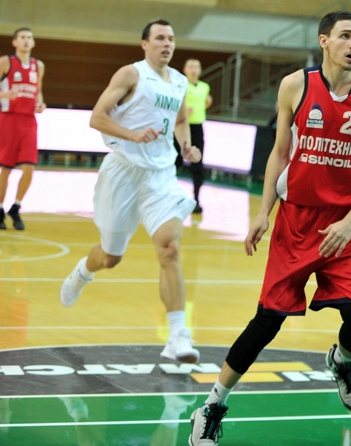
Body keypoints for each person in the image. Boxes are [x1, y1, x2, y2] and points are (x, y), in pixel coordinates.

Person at [187, 11, 351, 445]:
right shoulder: (295, 85)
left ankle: (342, 362)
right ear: (324, 41)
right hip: (295, 221)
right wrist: (263, 212)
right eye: (344, 35)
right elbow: (280, 153)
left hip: (344, 223)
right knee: (267, 321)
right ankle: (210, 407)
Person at [59, 20, 202, 364]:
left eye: (171, 38)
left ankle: (177, 335)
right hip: (123, 172)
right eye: (160, 38)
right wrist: (132, 134)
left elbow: (180, 120)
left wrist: (186, 146)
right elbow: (97, 117)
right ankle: (84, 271)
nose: (167, 44)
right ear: (144, 44)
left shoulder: (179, 81)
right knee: (111, 257)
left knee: (169, 248)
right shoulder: (131, 74)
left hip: (161, 175)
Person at [0, 28, 45, 230]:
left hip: (29, 121)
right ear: (15, 42)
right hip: (8, 119)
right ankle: (0, 208)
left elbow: (39, 91)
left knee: (30, 167)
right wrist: (3, 95)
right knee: (6, 168)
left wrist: (40, 103)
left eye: (29, 38)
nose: (26, 41)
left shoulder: (39, 66)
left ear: (33, 42)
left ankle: (16, 207)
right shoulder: (5, 62)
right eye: (22, 37)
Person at [175, 58, 211, 214]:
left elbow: (206, 101)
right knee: (175, 162)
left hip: (197, 128)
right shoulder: (180, 85)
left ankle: (196, 199)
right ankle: (168, 195)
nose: (194, 69)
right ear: (185, 70)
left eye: (196, 66)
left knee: (197, 164)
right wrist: (183, 110)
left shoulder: (205, 87)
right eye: (190, 66)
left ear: (200, 70)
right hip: (181, 127)